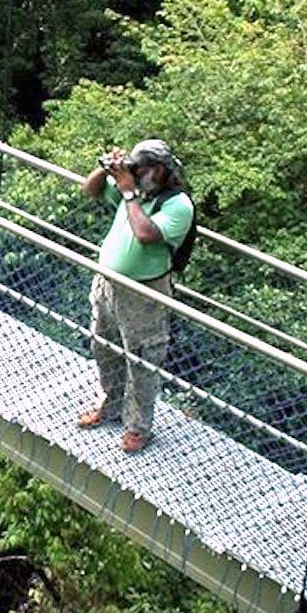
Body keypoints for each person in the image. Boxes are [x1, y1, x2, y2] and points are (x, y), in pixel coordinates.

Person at [77, 138, 194, 453]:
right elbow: (90, 189)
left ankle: (138, 428)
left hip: (143, 294)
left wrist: (128, 191)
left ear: (159, 170)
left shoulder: (177, 204)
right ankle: (111, 406)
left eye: (140, 169)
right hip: (107, 285)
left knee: (142, 360)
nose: (135, 173)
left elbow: (145, 235)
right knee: (103, 347)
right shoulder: (137, 190)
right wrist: (106, 170)